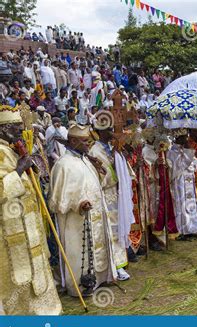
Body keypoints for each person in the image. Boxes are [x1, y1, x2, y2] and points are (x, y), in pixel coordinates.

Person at [0, 106, 62, 315]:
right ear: (2, 129)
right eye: (15, 128)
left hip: (28, 225)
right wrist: (18, 170)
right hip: (10, 230)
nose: (21, 131)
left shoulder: (10, 150)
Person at [49, 124, 117, 296]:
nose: (89, 144)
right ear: (73, 141)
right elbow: (57, 200)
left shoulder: (85, 159)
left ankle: (100, 278)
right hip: (76, 220)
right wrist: (78, 203)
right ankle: (80, 284)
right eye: (85, 141)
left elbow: (96, 184)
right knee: (80, 252)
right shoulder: (63, 165)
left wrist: (98, 169)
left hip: (96, 214)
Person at [88, 124, 132, 281]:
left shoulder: (110, 147)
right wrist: (114, 166)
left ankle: (121, 263)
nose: (112, 133)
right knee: (110, 231)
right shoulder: (94, 151)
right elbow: (98, 176)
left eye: (113, 129)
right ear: (100, 131)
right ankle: (115, 267)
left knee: (117, 228)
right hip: (106, 195)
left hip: (116, 193)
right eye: (108, 130)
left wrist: (120, 157)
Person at [167, 129, 197, 239]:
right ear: (178, 138)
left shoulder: (186, 149)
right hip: (179, 181)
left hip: (189, 180)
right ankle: (181, 229)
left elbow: (193, 163)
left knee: (191, 204)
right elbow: (179, 166)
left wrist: (190, 152)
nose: (186, 139)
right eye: (183, 137)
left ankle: (193, 227)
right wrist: (188, 152)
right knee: (180, 205)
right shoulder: (172, 152)